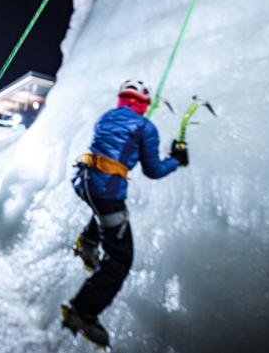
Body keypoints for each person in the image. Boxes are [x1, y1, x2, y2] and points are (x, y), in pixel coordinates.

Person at [61, 80, 188, 347]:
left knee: (105, 212)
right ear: (143, 103)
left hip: (83, 181)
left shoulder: (105, 117)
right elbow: (153, 170)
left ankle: (88, 242)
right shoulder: (145, 126)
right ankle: (82, 311)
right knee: (120, 257)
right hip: (105, 190)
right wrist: (176, 159)